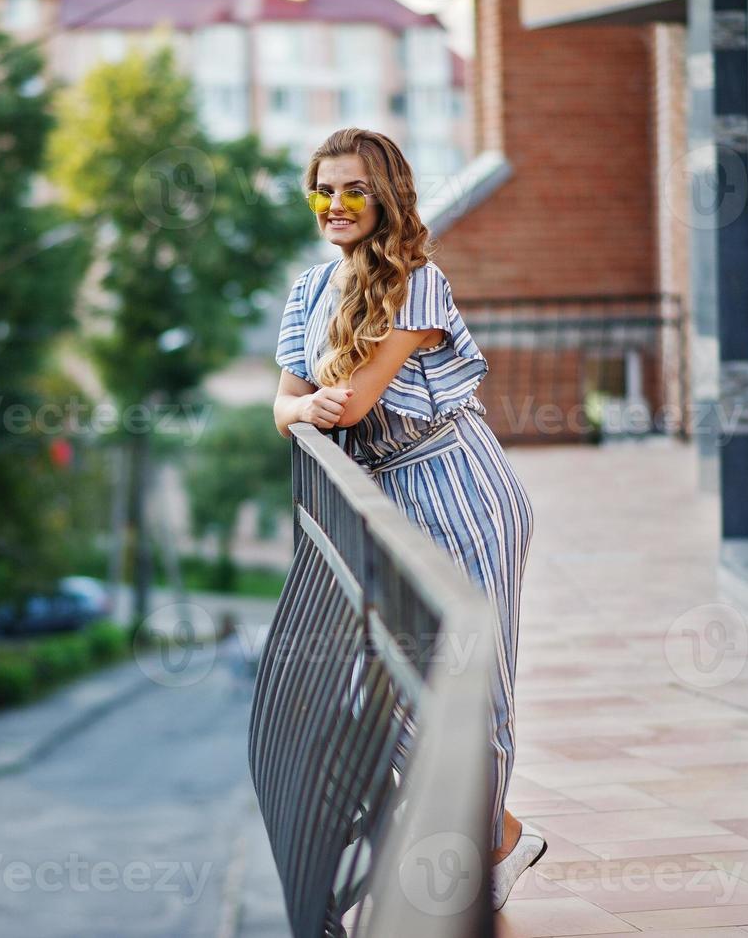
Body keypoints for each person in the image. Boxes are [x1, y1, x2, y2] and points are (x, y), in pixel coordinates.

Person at [271, 127, 544, 911]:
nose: (334, 203)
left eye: (353, 188)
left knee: (471, 686)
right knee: (391, 687)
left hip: (457, 490)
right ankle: (495, 838)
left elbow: (350, 400)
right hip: (384, 500)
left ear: (384, 195)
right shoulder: (306, 289)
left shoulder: (416, 282)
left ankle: (464, 870)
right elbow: (281, 406)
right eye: (322, 188)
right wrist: (302, 407)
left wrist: (313, 406)